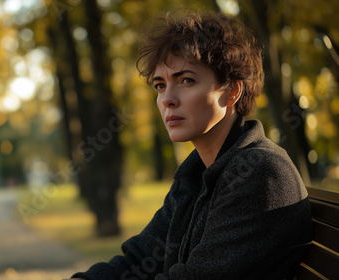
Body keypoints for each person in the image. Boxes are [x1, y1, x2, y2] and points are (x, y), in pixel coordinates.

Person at [66, 11, 312, 280]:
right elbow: (139, 259)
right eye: (160, 86)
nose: (167, 99)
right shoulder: (197, 174)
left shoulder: (260, 173)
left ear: (232, 91)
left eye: (186, 81)